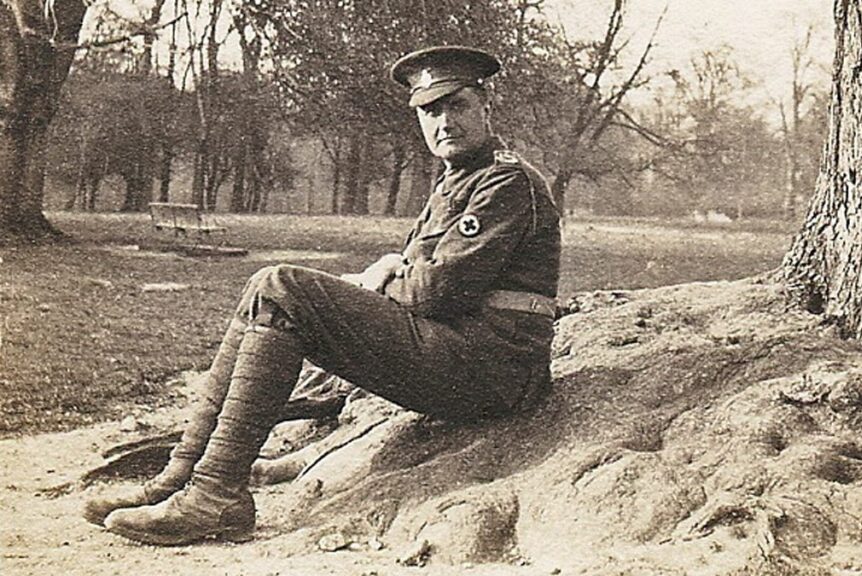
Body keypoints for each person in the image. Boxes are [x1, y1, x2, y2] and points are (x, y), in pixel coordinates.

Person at [84, 45, 561, 546]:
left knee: (281, 285)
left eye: (457, 105)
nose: (444, 122)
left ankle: (216, 494)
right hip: (457, 352)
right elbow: (425, 280)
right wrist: (386, 274)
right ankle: (181, 478)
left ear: (486, 104)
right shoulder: (457, 180)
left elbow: (431, 291)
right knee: (261, 290)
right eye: (429, 111)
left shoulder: (506, 181)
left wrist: (377, 279)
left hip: (492, 370)